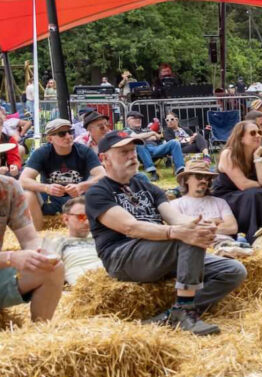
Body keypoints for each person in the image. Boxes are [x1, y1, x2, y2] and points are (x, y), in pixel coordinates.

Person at [85, 131, 246, 335]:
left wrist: (199, 225)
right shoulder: (98, 192)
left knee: (233, 271)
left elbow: (176, 219)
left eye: (133, 151)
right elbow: (130, 228)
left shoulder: (146, 186)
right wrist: (179, 232)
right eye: (124, 152)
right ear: (104, 159)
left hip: (160, 251)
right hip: (123, 256)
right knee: (186, 237)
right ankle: (185, 310)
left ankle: (174, 313)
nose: (132, 156)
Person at [0, 138, 63, 322]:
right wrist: (11, 258)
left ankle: (40, 337)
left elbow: (29, 238)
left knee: (52, 268)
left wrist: (39, 254)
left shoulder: (8, 187)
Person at [20, 119, 106, 231]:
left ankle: (95, 230)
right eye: (62, 134)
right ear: (50, 139)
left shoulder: (84, 151)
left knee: (102, 188)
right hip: (50, 199)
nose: (68, 136)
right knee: (28, 194)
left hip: (79, 200)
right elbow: (23, 180)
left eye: (70, 132)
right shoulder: (42, 152)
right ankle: (38, 234)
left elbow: (103, 175)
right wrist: (46, 188)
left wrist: (82, 186)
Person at [213, 121, 262, 243]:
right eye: (252, 133)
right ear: (241, 138)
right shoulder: (229, 154)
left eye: (259, 132)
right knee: (256, 193)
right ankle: (253, 237)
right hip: (227, 196)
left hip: (250, 193)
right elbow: (243, 185)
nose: (258, 135)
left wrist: (257, 159)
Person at [169, 157, 238, 246]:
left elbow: (232, 228)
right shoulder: (175, 205)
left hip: (226, 245)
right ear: (186, 179)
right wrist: (215, 223)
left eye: (207, 178)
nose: (204, 180)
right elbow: (179, 231)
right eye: (199, 176)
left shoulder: (220, 202)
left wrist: (197, 226)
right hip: (195, 248)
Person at [40, 197, 102, 286]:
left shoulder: (100, 237)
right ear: (66, 219)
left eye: (90, 217)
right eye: (81, 217)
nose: (87, 222)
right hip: (87, 283)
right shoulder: (57, 242)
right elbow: (46, 274)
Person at [123, 111, 186, 180]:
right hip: (141, 152)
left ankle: (180, 171)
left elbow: (157, 137)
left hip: (155, 148)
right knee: (139, 142)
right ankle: (153, 172)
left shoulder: (145, 130)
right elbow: (135, 137)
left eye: (139, 118)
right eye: (134, 118)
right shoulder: (126, 130)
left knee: (174, 142)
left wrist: (146, 136)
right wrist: (152, 133)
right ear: (128, 120)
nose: (138, 120)